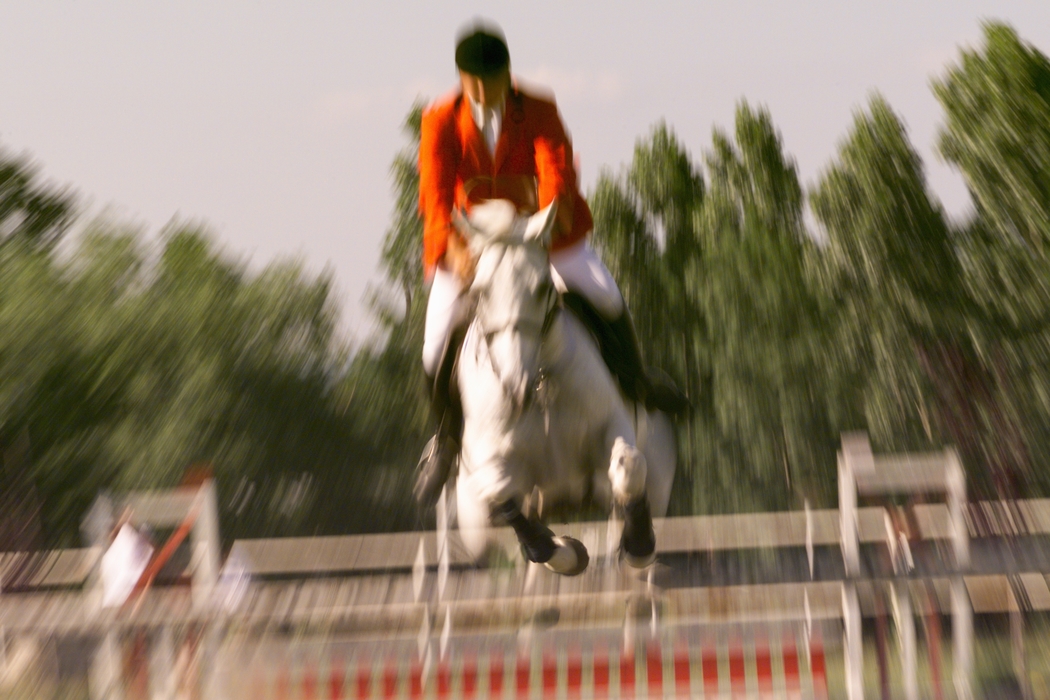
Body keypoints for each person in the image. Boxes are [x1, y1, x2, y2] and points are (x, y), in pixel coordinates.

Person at [414, 22, 686, 508]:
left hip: (544, 239)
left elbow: (555, 169)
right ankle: (445, 439)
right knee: (435, 342)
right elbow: (434, 198)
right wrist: (456, 249)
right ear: (460, 76)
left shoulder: (537, 108)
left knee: (605, 294)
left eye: (492, 80)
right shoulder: (439, 120)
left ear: (507, 74)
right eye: (474, 81)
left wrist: (546, 219)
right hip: (473, 251)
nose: (483, 91)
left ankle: (636, 383)